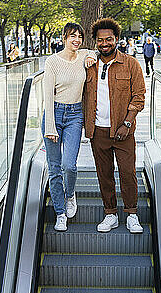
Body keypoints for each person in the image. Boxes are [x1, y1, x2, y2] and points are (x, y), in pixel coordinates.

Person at [83, 17, 146, 234]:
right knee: (104, 173)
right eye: (100, 40)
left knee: (127, 173)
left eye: (109, 39)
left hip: (123, 130)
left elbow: (139, 97)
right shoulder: (89, 65)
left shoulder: (130, 64)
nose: (104, 44)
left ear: (117, 39)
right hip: (97, 131)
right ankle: (110, 214)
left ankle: (132, 215)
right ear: (95, 42)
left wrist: (127, 122)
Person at [42, 22, 96, 231]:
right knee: (55, 169)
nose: (76, 40)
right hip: (54, 113)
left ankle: (70, 194)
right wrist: (50, 126)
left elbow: (95, 52)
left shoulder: (83, 56)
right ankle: (60, 212)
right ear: (64, 37)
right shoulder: (52, 62)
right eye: (72, 36)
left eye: (79, 37)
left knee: (69, 165)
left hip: (75, 115)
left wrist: (91, 54)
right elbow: (47, 95)